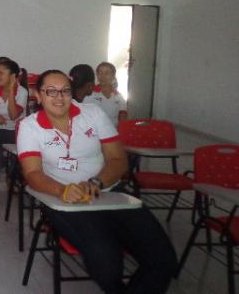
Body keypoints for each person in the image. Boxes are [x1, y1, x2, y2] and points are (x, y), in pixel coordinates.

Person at [17, 70, 177, 294]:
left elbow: (118, 160)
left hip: (108, 192)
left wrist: (97, 182)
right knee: (107, 262)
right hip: (64, 202)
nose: (59, 97)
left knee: (164, 258)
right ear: (39, 95)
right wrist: (63, 190)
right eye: (50, 91)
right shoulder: (30, 126)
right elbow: (32, 173)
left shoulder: (92, 113)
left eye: (65, 91)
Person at [0, 59, 28, 180]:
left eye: (1, 73)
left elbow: (13, 115)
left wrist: (11, 91)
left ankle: (8, 172)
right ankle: (2, 169)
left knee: (14, 155)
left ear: (13, 76)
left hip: (15, 131)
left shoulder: (22, 92)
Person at [85, 62, 128, 127]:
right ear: (97, 75)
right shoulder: (89, 94)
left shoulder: (119, 97)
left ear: (113, 76)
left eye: (107, 73)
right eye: (100, 73)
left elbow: (123, 121)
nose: (103, 76)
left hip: (113, 133)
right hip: (94, 134)